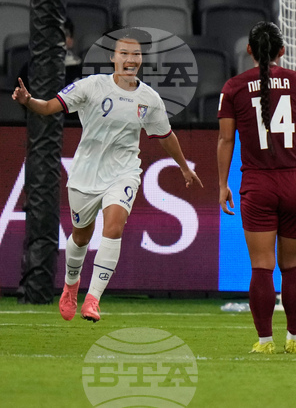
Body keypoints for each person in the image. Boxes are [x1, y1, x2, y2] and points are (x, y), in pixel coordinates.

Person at [10, 28, 204, 323]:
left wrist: (184, 166)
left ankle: (93, 299)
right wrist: (28, 101)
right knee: (80, 236)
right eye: (124, 53)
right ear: (113, 58)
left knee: (114, 227)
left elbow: (166, 135)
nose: (130, 59)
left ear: (141, 60)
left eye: (136, 54)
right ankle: (71, 286)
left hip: (124, 172)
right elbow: (50, 107)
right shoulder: (92, 86)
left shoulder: (149, 99)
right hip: (86, 174)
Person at [217, 21, 296, 354]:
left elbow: (225, 139)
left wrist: (222, 184)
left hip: (258, 184)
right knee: (291, 265)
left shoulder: (233, 87)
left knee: (261, 265)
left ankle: (265, 341)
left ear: (249, 50)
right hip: (295, 181)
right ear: (282, 50)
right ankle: (294, 339)